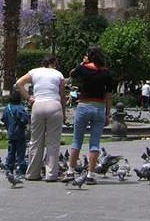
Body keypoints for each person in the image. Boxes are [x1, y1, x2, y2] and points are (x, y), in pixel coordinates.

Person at [66, 46, 113, 185]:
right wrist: (107, 114)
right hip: (99, 107)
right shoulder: (107, 73)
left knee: (76, 140)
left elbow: (72, 74)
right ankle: (91, 174)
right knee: (94, 142)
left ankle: (70, 171)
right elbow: (109, 95)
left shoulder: (83, 68)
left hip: (83, 106)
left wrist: (82, 63)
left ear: (89, 56)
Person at [16, 54, 65, 182]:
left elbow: (19, 83)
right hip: (54, 105)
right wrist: (63, 112)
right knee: (53, 141)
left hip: (38, 105)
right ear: (54, 62)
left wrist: (29, 97)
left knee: (36, 140)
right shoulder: (59, 74)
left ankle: (32, 173)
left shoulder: (34, 72)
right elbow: (62, 95)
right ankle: (51, 174)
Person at [1, 86, 29, 177]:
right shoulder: (20, 108)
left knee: (11, 152)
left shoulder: (7, 108)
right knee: (21, 152)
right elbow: (25, 119)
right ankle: (21, 170)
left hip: (11, 133)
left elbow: (3, 119)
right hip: (20, 133)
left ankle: (9, 169)